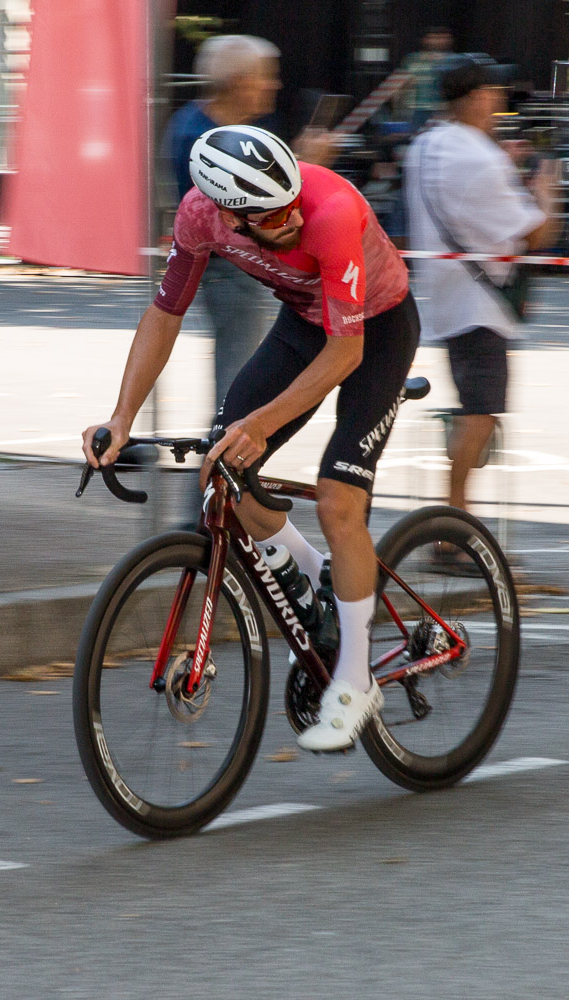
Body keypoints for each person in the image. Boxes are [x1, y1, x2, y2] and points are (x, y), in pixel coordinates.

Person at [82, 125, 417, 752]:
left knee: (338, 501)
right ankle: (322, 573)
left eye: (292, 204)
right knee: (220, 472)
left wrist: (260, 424)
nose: (291, 220)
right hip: (302, 324)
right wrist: (122, 416)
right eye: (272, 217)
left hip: (374, 332)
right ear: (230, 218)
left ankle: (355, 678)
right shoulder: (199, 217)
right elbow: (164, 313)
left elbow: (347, 352)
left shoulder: (331, 211)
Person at [163, 35, 339, 518]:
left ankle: (219, 508)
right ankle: (205, 516)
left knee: (241, 395)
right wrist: (308, 172)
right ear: (239, 82)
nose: (274, 85)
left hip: (242, 280)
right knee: (235, 400)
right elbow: (244, 219)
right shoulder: (199, 137)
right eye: (266, 74)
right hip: (230, 280)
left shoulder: (224, 130)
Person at [403, 54, 559, 523]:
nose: (498, 104)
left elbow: (464, 199)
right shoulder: (481, 158)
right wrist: (548, 191)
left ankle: (455, 512)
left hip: (447, 298)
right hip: (482, 303)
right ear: (474, 99)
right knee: (482, 411)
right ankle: (455, 513)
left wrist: (503, 169)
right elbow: (535, 233)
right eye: (492, 94)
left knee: (474, 405)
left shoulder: (425, 145)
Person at [398, 27, 453, 128]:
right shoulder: (412, 59)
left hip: (442, 109)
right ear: (425, 39)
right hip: (418, 109)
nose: (437, 41)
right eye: (433, 37)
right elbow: (402, 85)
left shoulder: (454, 60)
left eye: (442, 37)